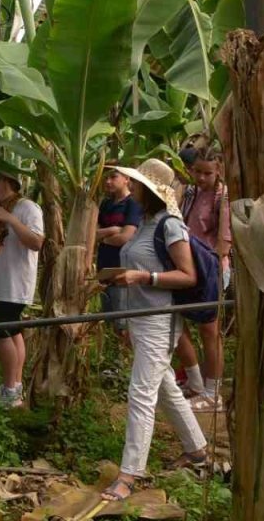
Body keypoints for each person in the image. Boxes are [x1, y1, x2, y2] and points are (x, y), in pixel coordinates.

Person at [101, 159, 209, 502]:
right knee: (163, 389)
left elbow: (187, 275)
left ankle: (129, 474)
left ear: (151, 191)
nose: (130, 188)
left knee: (141, 394)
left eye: (136, 184)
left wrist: (144, 277)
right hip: (140, 316)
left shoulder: (169, 224)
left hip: (159, 318)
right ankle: (198, 451)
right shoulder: (146, 222)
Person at [174, 147, 231, 412]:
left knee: (210, 330)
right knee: (177, 321)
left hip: (211, 266)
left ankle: (213, 393)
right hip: (188, 266)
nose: (201, 177)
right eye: (197, 171)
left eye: (207, 173)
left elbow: (223, 242)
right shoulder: (189, 193)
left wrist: (216, 271)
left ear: (219, 170)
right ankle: (195, 382)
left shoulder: (223, 197)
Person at [0, 168, 44, 409]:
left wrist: (11, 220)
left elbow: (37, 242)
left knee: (1, 329)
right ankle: (14, 387)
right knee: (13, 329)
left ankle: (9, 389)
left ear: (11, 182)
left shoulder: (27, 208)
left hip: (16, 280)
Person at [97, 167, 144, 329]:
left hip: (123, 268)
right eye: (106, 178)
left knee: (122, 324)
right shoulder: (105, 203)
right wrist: (112, 230)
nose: (108, 181)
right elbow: (91, 234)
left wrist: (102, 239)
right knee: (108, 320)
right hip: (104, 268)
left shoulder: (133, 203)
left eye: (113, 177)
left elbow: (126, 237)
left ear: (126, 179)